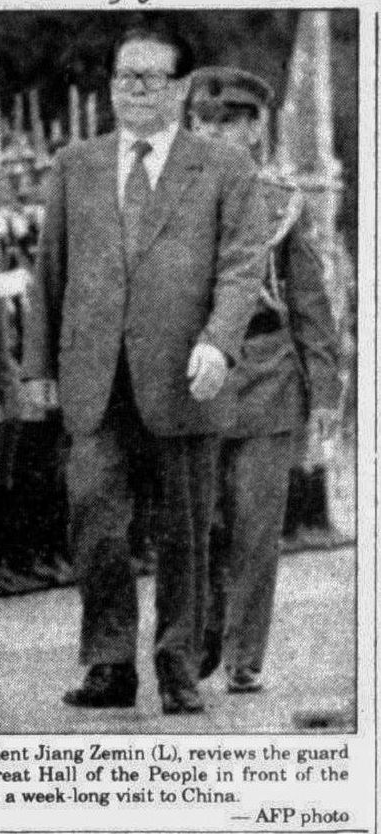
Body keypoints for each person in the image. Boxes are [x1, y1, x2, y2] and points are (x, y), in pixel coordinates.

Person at [23, 26, 268, 714]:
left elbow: (242, 266)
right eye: (123, 77)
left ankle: (179, 664)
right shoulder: (75, 165)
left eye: (150, 78)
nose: (133, 89)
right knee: (95, 522)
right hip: (95, 378)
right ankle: (108, 662)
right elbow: (50, 269)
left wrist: (219, 343)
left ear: (182, 88)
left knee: (184, 532)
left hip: (185, 376)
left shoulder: (223, 168)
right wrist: (38, 364)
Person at [188, 67, 340, 693]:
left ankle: (244, 654)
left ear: (256, 130)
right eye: (204, 121)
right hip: (193, 378)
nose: (214, 132)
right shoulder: (169, 203)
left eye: (229, 122)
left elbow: (309, 304)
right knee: (196, 523)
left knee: (254, 527)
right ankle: (199, 638)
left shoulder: (279, 204)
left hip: (266, 376)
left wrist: (325, 392)